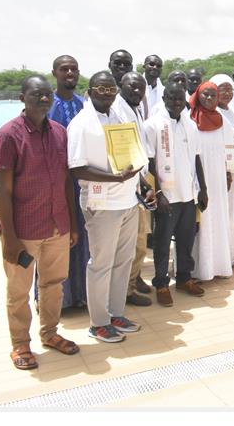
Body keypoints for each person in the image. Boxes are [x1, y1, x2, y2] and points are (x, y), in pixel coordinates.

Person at [0, 75, 80, 370]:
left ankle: (50, 333)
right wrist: (10, 238)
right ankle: (20, 344)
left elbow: (66, 181)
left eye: (47, 95)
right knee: (19, 292)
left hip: (58, 225)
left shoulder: (59, 133)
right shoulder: (8, 136)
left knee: (54, 285)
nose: (44, 99)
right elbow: (3, 192)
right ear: (22, 98)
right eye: (37, 94)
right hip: (24, 229)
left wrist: (72, 224)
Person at [68, 71, 146, 342]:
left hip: (127, 199)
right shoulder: (81, 124)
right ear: (90, 91)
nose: (107, 92)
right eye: (101, 88)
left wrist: (139, 179)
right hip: (102, 202)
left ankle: (115, 313)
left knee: (123, 261)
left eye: (111, 88)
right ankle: (98, 322)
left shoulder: (121, 116)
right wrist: (114, 178)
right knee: (101, 263)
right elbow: (77, 168)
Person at [144, 83, 209, 305]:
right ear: (163, 98)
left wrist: (203, 189)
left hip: (188, 194)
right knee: (162, 242)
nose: (176, 102)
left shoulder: (191, 126)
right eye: (172, 98)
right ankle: (161, 283)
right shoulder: (152, 125)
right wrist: (159, 192)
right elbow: (149, 161)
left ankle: (184, 278)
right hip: (167, 196)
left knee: (186, 239)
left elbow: (197, 158)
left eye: (180, 99)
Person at [42, 55, 88, 310]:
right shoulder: (47, 106)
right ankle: (53, 300)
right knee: (55, 241)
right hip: (55, 185)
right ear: (54, 73)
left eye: (73, 68)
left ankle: (79, 294)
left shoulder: (83, 106)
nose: (69, 73)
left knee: (80, 236)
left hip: (79, 183)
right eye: (64, 69)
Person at [109, 72, 153, 307]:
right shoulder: (117, 111)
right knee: (132, 243)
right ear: (121, 86)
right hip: (128, 185)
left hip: (139, 182)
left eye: (141, 88)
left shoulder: (133, 108)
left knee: (140, 240)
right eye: (132, 87)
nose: (137, 91)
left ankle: (132, 281)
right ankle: (125, 290)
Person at [189, 81, 234, 281]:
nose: (209, 99)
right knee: (200, 222)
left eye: (213, 96)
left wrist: (228, 173)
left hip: (217, 178)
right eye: (205, 95)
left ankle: (218, 265)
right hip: (197, 178)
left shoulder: (222, 120)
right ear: (197, 96)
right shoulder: (190, 121)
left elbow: (229, 148)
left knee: (217, 218)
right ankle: (198, 269)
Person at [211, 74, 234, 266]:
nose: (226, 93)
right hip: (222, 172)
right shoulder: (213, 112)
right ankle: (222, 258)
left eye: (229, 90)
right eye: (222, 89)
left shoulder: (231, 112)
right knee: (224, 213)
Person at [141, 54, 165, 120]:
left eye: (158, 66)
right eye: (151, 64)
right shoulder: (134, 88)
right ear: (144, 66)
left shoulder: (164, 91)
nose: (155, 67)